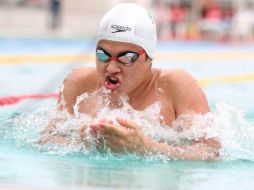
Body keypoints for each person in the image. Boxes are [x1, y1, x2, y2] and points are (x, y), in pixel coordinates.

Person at [51, 3, 220, 160]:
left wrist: (145, 147)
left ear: (149, 57)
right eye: (103, 54)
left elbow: (211, 152)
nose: (110, 68)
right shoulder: (79, 83)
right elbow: (46, 139)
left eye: (125, 57)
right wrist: (81, 144)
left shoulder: (176, 86)